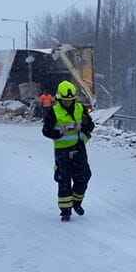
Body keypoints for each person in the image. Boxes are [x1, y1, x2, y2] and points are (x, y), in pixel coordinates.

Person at [42, 80, 94, 222]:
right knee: (64, 180)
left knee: (83, 177)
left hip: (78, 147)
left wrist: (82, 128)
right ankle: (65, 211)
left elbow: (90, 125)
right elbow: (46, 131)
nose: (67, 103)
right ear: (60, 98)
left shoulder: (80, 108)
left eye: (70, 100)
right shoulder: (53, 112)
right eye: (65, 100)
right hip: (62, 151)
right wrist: (59, 132)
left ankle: (77, 203)